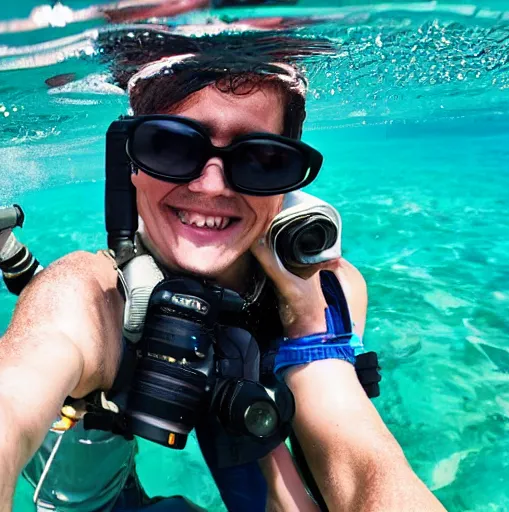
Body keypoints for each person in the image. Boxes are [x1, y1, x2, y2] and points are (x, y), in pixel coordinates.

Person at [0, 49, 446, 512]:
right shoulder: (93, 297)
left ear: (287, 184)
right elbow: (11, 398)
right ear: (131, 161)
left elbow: (359, 470)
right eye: (170, 146)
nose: (211, 187)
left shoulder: (333, 292)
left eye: (261, 159)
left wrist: (312, 335)